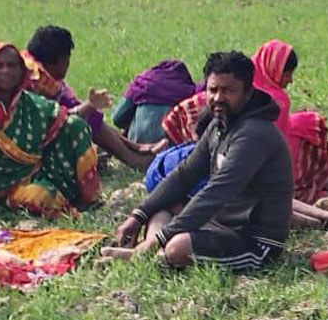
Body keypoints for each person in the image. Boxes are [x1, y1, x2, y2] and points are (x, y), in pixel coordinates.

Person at [157, 41, 328, 230]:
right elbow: (204, 182)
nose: (289, 80)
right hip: (208, 166)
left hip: (197, 155)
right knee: (254, 196)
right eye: (287, 73)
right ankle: (327, 220)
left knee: (256, 190)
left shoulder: (238, 110)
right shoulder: (251, 106)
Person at [114, 51, 292, 271]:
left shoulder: (254, 133)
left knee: (177, 247)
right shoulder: (219, 124)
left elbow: (218, 191)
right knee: (161, 209)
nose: (217, 98)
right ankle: (150, 252)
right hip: (220, 224)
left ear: (247, 92)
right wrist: (138, 216)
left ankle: (152, 252)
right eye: (212, 90)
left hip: (255, 240)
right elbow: (186, 173)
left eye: (227, 91)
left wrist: (160, 237)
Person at [0, 42, 101, 218]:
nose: (6, 71)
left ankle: (86, 197)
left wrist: (90, 105)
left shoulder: (28, 103)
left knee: (74, 126)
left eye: (12, 66)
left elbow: (61, 118)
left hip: (33, 171)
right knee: (41, 197)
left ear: (21, 71)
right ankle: (10, 200)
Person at [24, 26, 155, 171]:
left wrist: (134, 145)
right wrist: (88, 106)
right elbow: (57, 119)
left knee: (90, 116)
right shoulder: (37, 80)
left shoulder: (44, 76)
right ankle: (133, 159)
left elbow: (77, 109)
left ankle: (133, 153)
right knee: (80, 122)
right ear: (62, 59)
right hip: (28, 150)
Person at [112, 60, 196, 144]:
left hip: (136, 149)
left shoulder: (143, 84)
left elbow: (118, 118)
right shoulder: (187, 91)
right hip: (170, 151)